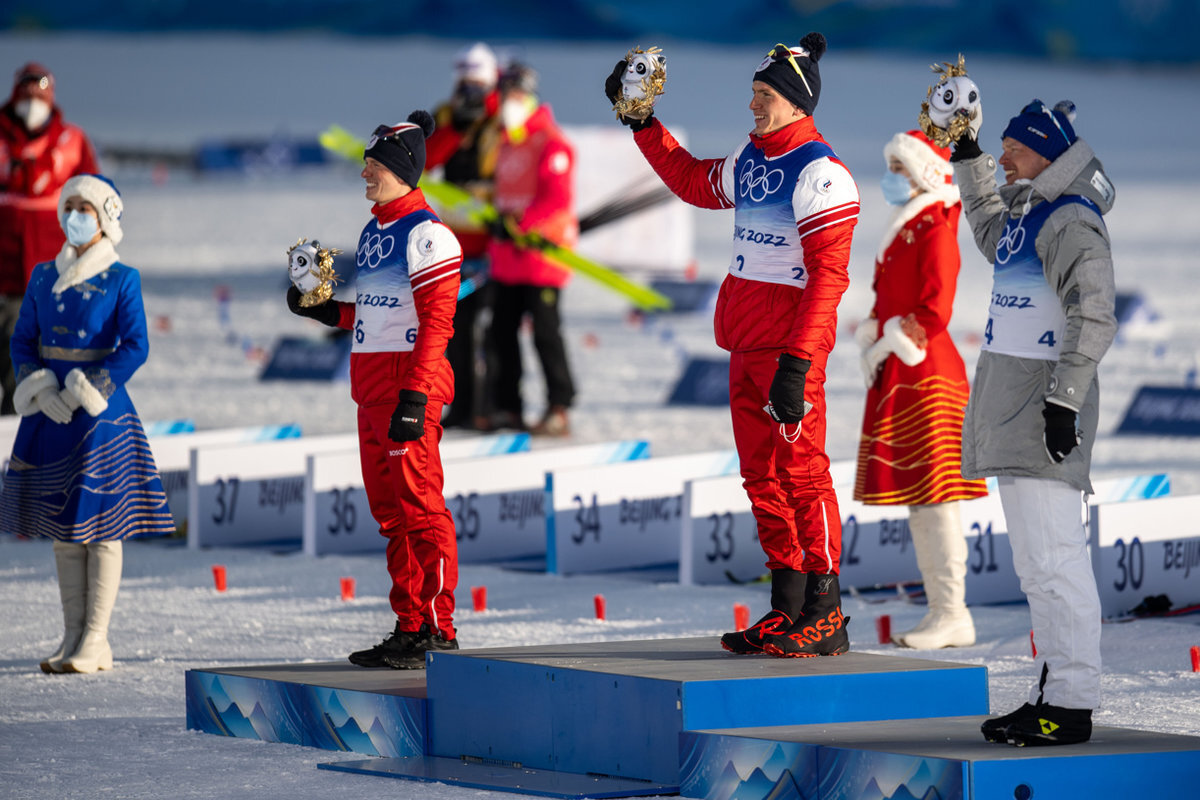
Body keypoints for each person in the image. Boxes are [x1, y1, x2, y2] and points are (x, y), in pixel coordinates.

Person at [606, 34, 860, 657]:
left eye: (765, 94)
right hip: (746, 343)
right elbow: (694, 181)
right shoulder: (753, 160)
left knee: (803, 476)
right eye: (752, 91)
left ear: (798, 103)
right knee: (761, 478)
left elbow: (829, 277)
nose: (753, 103)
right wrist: (644, 123)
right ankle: (790, 604)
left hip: (789, 351)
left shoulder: (821, 173)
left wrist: (799, 364)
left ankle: (827, 612)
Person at [932, 87, 1117, 745]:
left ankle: (1069, 704)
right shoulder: (1027, 216)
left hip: (1044, 417)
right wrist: (968, 153)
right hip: (1016, 416)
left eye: (1012, 151)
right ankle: (1051, 693)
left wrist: (1065, 400)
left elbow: (1093, 313)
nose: (1006, 161)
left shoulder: (1071, 220)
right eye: (1003, 151)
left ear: (1043, 154)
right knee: (1039, 566)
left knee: (1057, 562)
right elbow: (987, 222)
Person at [286, 110, 463, 670]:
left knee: (421, 509)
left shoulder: (427, 234)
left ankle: (439, 629)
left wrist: (415, 396)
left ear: (401, 169)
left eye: (373, 166)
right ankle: (410, 626)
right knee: (392, 516)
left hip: (408, 390)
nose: (364, 173)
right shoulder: (376, 230)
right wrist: (325, 310)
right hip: (372, 391)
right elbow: (377, 314)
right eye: (364, 164)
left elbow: (438, 323)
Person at [0, 173, 174, 674]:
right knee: (63, 529)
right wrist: (37, 387)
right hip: (51, 411)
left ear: (106, 216)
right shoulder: (40, 276)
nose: (75, 215)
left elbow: (136, 345)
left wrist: (88, 387)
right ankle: (72, 635)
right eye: (69, 205)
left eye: (85, 207)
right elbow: (22, 341)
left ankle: (96, 639)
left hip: (99, 416)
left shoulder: (122, 278)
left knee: (101, 529)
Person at [852, 129, 989, 650]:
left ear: (926, 174)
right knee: (921, 502)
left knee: (937, 500)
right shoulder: (907, 225)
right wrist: (873, 326)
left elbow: (934, 310)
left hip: (927, 372)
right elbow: (890, 294)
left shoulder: (935, 228)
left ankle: (952, 612)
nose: (893, 178)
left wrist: (888, 342)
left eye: (901, 169)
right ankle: (943, 610)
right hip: (905, 370)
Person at [0, 62, 100, 415]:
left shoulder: (70, 142)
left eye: (39, 97)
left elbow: (96, 202)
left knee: (38, 373)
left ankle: (25, 451)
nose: (32, 104)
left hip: (53, 279)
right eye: (26, 96)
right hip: (6, 274)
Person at [487, 62, 578, 436]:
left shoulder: (551, 142)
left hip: (543, 258)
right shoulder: (507, 142)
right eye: (506, 95)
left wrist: (517, 223)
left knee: (545, 335)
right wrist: (498, 220)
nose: (511, 102)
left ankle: (559, 406)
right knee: (501, 335)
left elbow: (556, 199)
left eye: (518, 95)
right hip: (508, 261)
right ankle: (508, 408)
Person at [424, 42, 503, 430]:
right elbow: (428, 160)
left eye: (477, 82)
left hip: (494, 241)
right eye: (465, 81)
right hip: (453, 239)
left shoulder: (505, 116)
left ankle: (488, 407)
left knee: (490, 332)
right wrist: (456, 127)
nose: (470, 89)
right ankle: (460, 406)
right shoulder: (447, 113)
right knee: (454, 329)